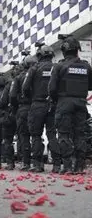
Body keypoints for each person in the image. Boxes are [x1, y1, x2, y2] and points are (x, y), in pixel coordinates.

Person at [48, 35, 92, 174]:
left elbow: (52, 88)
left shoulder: (59, 66)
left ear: (64, 50)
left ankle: (67, 166)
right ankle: (79, 166)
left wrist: (57, 100)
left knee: (64, 134)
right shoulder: (86, 66)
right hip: (81, 103)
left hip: (64, 102)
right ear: (77, 50)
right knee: (80, 135)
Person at [22, 43, 61, 173]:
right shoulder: (57, 67)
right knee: (52, 134)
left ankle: (38, 164)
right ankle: (56, 165)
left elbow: (25, 88)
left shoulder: (34, 69)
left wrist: (32, 97)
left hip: (37, 104)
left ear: (39, 55)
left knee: (36, 135)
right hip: (53, 105)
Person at [10, 54, 37, 171]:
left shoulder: (18, 78)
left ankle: (26, 163)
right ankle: (38, 163)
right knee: (37, 136)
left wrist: (16, 109)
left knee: (24, 136)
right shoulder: (38, 74)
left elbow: (12, 96)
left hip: (23, 108)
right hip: (37, 106)